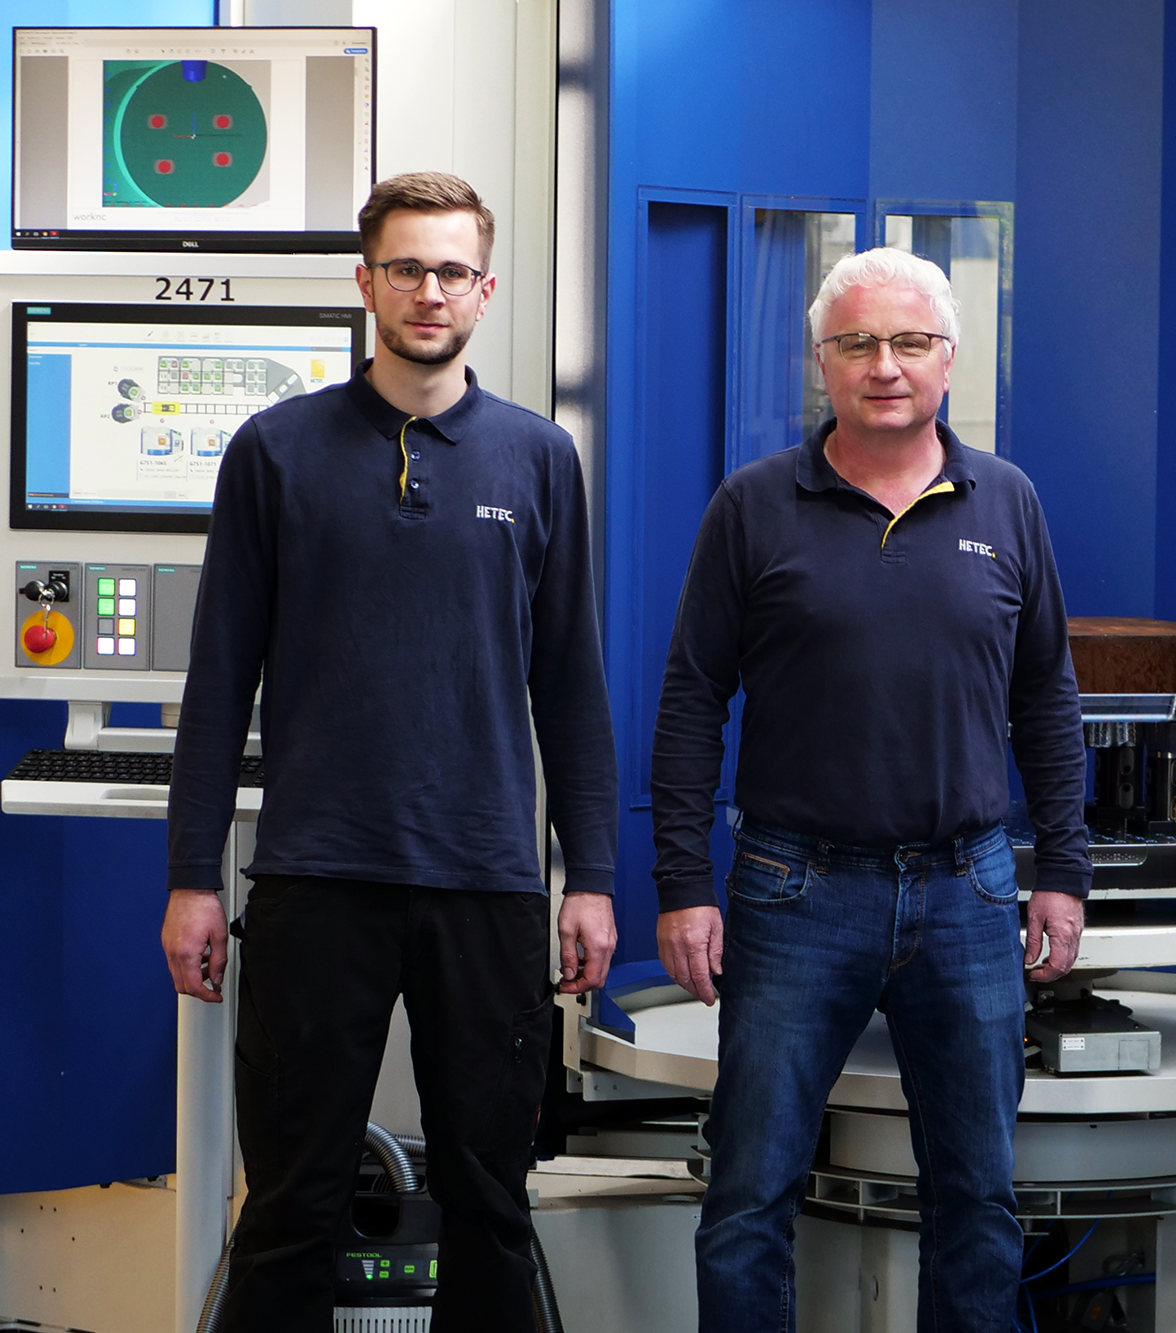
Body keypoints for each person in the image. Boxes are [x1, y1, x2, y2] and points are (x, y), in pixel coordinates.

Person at [161, 172, 620, 1332]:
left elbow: (570, 684)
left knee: (489, 1203)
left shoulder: (537, 459)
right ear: (364, 282)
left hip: (486, 886)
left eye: (452, 270)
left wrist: (596, 878)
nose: (429, 291)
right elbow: (217, 683)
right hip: (318, 881)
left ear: (486, 288)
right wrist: (189, 878)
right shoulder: (275, 452)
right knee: (290, 1208)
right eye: (405, 267)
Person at [648, 246, 1090, 1333]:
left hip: (970, 894)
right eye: (856, 343)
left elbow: (1047, 698)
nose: (882, 364)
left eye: (907, 342)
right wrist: (682, 883)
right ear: (820, 361)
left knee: (978, 1201)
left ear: (948, 360)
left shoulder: (1009, 500)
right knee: (749, 1195)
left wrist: (1063, 873)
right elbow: (691, 698)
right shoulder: (754, 506)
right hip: (794, 892)